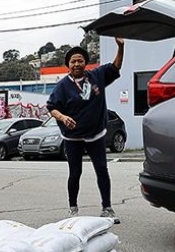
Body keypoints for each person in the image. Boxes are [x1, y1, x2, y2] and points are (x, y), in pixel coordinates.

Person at [46, 37, 124, 223]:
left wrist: (120, 47)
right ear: (68, 65)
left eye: (80, 60)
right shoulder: (62, 86)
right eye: (73, 61)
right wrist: (63, 117)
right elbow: (52, 108)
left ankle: (107, 208)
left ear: (85, 62)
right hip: (72, 138)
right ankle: (73, 209)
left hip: (95, 134)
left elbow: (116, 67)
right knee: (75, 173)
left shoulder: (97, 76)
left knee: (102, 170)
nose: (77, 63)